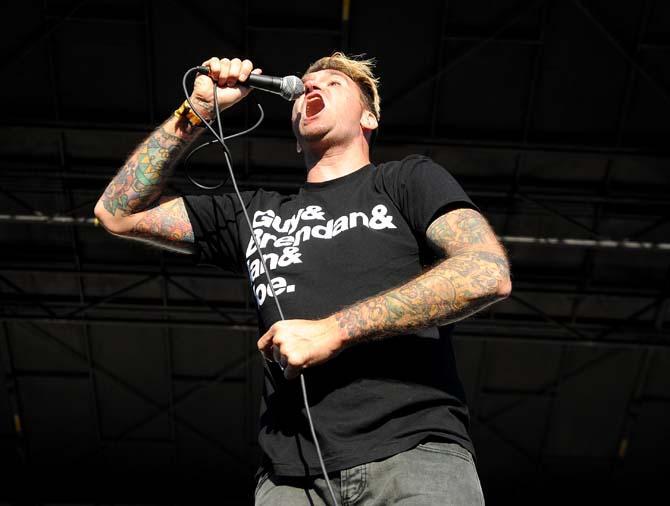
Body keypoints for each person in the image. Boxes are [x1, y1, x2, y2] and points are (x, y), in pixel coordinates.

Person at [94, 52, 511, 505]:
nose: (312, 88)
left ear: (369, 117)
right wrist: (197, 110)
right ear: (294, 133)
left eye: (333, 84)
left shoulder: (406, 180)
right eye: (306, 85)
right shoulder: (254, 213)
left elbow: (486, 271)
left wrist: (334, 330)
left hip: (414, 456)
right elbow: (116, 213)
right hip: (290, 478)